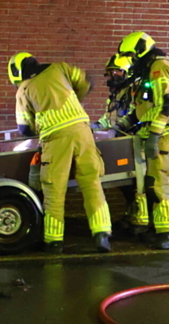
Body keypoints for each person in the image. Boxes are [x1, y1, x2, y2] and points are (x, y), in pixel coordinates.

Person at [8, 52, 113, 253]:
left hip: (55, 137)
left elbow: (24, 129)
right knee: (91, 182)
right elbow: (86, 82)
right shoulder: (60, 68)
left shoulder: (24, 89)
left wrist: (37, 122)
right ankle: (102, 233)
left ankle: (54, 241)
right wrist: (72, 101)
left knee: (54, 189)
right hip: (82, 130)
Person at [117, 31, 169, 250]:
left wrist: (154, 136)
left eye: (130, 55)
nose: (130, 61)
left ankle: (168, 234)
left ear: (139, 50)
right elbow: (144, 109)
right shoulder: (148, 70)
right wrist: (120, 126)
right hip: (155, 134)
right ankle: (157, 229)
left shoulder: (159, 67)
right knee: (151, 183)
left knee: (159, 184)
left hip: (165, 135)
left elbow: (167, 105)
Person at [94, 53, 150, 237]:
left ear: (126, 71)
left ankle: (141, 221)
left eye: (115, 72)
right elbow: (107, 119)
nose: (111, 77)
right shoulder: (116, 94)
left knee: (138, 184)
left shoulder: (137, 89)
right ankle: (131, 214)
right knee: (126, 185)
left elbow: (138, 114)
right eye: (109, 73)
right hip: (121, 145)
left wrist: (118, 128)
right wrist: (93, 127)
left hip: (137, 143)